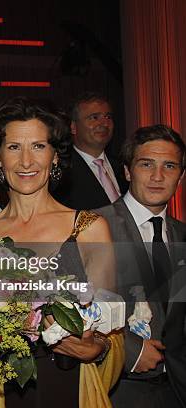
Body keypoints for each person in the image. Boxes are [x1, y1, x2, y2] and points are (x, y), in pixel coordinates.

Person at [0, 97, 117, 407]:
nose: (26, 162)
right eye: (13, 148)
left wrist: (97, 348)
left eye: (38, 146)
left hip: (70, 386)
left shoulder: (90, 228)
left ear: (54, 156)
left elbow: (112, 327)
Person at [95, 124, 186, 407]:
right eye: (146, 164)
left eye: (169, 166)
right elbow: (71, 305)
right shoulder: (94, 226)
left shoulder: (182, 234)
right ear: (126, 171)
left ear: (181, 177)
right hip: (118, 390)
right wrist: (130, 351)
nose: (157, 176)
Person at [53, 92, 128, 210]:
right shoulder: (61, 173)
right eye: (94, 117)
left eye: (108, 117)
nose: (104, 123)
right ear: (73, 127)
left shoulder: (124, 167)